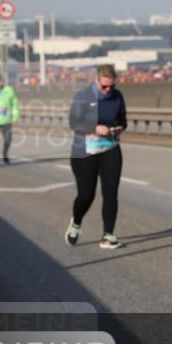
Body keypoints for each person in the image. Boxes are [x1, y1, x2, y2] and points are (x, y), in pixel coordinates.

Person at [65, 64, 127, 250]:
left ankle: (108, 235)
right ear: (96, 81)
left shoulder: (117, 97)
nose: (108, 90)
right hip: (84, 152)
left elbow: (123, 120)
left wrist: (119, 128)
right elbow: (73, 122)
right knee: (86, 195)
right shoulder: (83, 97)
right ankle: (76, 223)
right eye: (104, 86)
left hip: (110, 148)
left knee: (110, 193)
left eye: (111, 86)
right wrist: (94, 128)